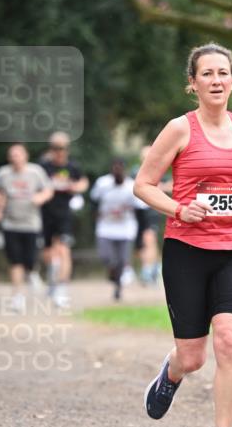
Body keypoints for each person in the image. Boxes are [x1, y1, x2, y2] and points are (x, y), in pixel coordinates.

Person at [134, 42, 232, 427]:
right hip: (187, 251)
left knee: (229, 340)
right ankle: (171, 374)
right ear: (193, 84)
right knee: (194, 356)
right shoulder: (179, 129)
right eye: (207, 74)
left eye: (223, 73)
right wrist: (179, 209)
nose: (216, 80)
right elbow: (144, 184)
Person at [0, 144, 53, 312]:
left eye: (18, 154)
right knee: (15, 261)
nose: (15, 158)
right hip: (10, 223)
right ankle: (17, 297)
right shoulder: (3, 173)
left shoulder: (35, 172)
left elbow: (49, 190)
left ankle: (33, 272)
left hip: (31, 224)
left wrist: (40, 197)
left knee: (31, 258)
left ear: (25, 156)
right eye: (12, 155)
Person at [39, 131, 88, 308]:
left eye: (62, 148)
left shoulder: (72, 166)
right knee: (48, 252)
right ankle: (53, 279)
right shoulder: (44, 167)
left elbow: (83, 182)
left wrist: (75, 187)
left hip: (64, 214)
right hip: (45, 214)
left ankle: (62, 288)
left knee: (63, 249)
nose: (59, 152)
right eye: (55, 148)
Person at [90, 159, 140, 301]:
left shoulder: (131, 186)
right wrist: (96, 215)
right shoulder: (102, 183)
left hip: (125, 229)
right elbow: (93, 200)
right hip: (105, 227)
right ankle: (112, 273)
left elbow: (140, 206)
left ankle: (118, 288)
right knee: (107, 257)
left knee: (122, 260)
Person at [132, 145, 169, 286]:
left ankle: (148, 271)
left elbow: (172, 184)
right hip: (136, 212)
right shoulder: (134, 172)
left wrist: (158, 189)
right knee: (141, 244)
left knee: (149, 238)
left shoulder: (159, 171)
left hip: (152, 210)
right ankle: (154, 268)